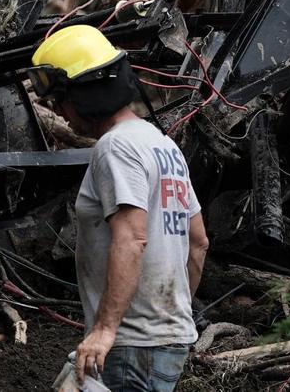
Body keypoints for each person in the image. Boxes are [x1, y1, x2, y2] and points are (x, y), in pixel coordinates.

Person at [29, 25, 209, 392]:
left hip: (131, 346)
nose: (59, 112)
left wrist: (105, 330)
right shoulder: (164, 146)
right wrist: (170, 321)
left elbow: (131, 239)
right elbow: (198, 242)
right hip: (167, 342)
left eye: (61, 99)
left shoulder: (116, 147)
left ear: (85, 95)